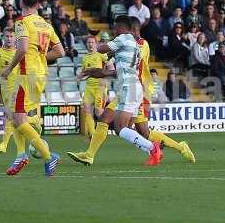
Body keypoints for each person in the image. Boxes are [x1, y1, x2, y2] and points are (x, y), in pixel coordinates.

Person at [67, 16, 195, 166]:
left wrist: (106, 49)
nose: (115, 31)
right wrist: (94, 70)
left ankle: (158, 148)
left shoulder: (140, 44)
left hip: (136, 90)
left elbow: (127, 64)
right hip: (132, 88)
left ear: (133, 29)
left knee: (129, 129)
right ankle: (178, 147)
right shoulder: (130, 44)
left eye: (117, 28)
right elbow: (117, 68)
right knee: (125, 126)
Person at [1, 0, 65, 177]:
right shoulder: (46, 25)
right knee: (18, 116)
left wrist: (8, 68)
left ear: (21, 2)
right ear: (38, 4)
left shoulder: (22, 22)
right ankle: (22, 154)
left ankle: (47, 156)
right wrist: (42, 56)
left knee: (18, 120)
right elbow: (60, 51)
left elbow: (21, 49)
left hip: (26, 74)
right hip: (40, 75)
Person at [0, 27, 19, 153]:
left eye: (11, 36)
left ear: (15, 38)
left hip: (19, 87)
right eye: (7, 36)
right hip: (5, 89)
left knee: (9, 115)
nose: (9, 38)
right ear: (3, 37)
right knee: (16, 118)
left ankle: (4, 144)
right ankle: (35, 121)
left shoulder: (20, 52)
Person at [77, 36, 110, 142]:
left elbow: (110, 67)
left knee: (98, 113)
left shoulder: (101, 55)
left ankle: (104, 130)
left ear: (96, 44)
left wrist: (105, 78)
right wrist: (79, 77)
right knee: (86, 110)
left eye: (92, 42)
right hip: (89, 87)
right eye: (88, 42)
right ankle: (93, 134)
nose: (90, 44)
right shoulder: (85, 57)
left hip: (100, 87)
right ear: (86, 44)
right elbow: (84, 71)